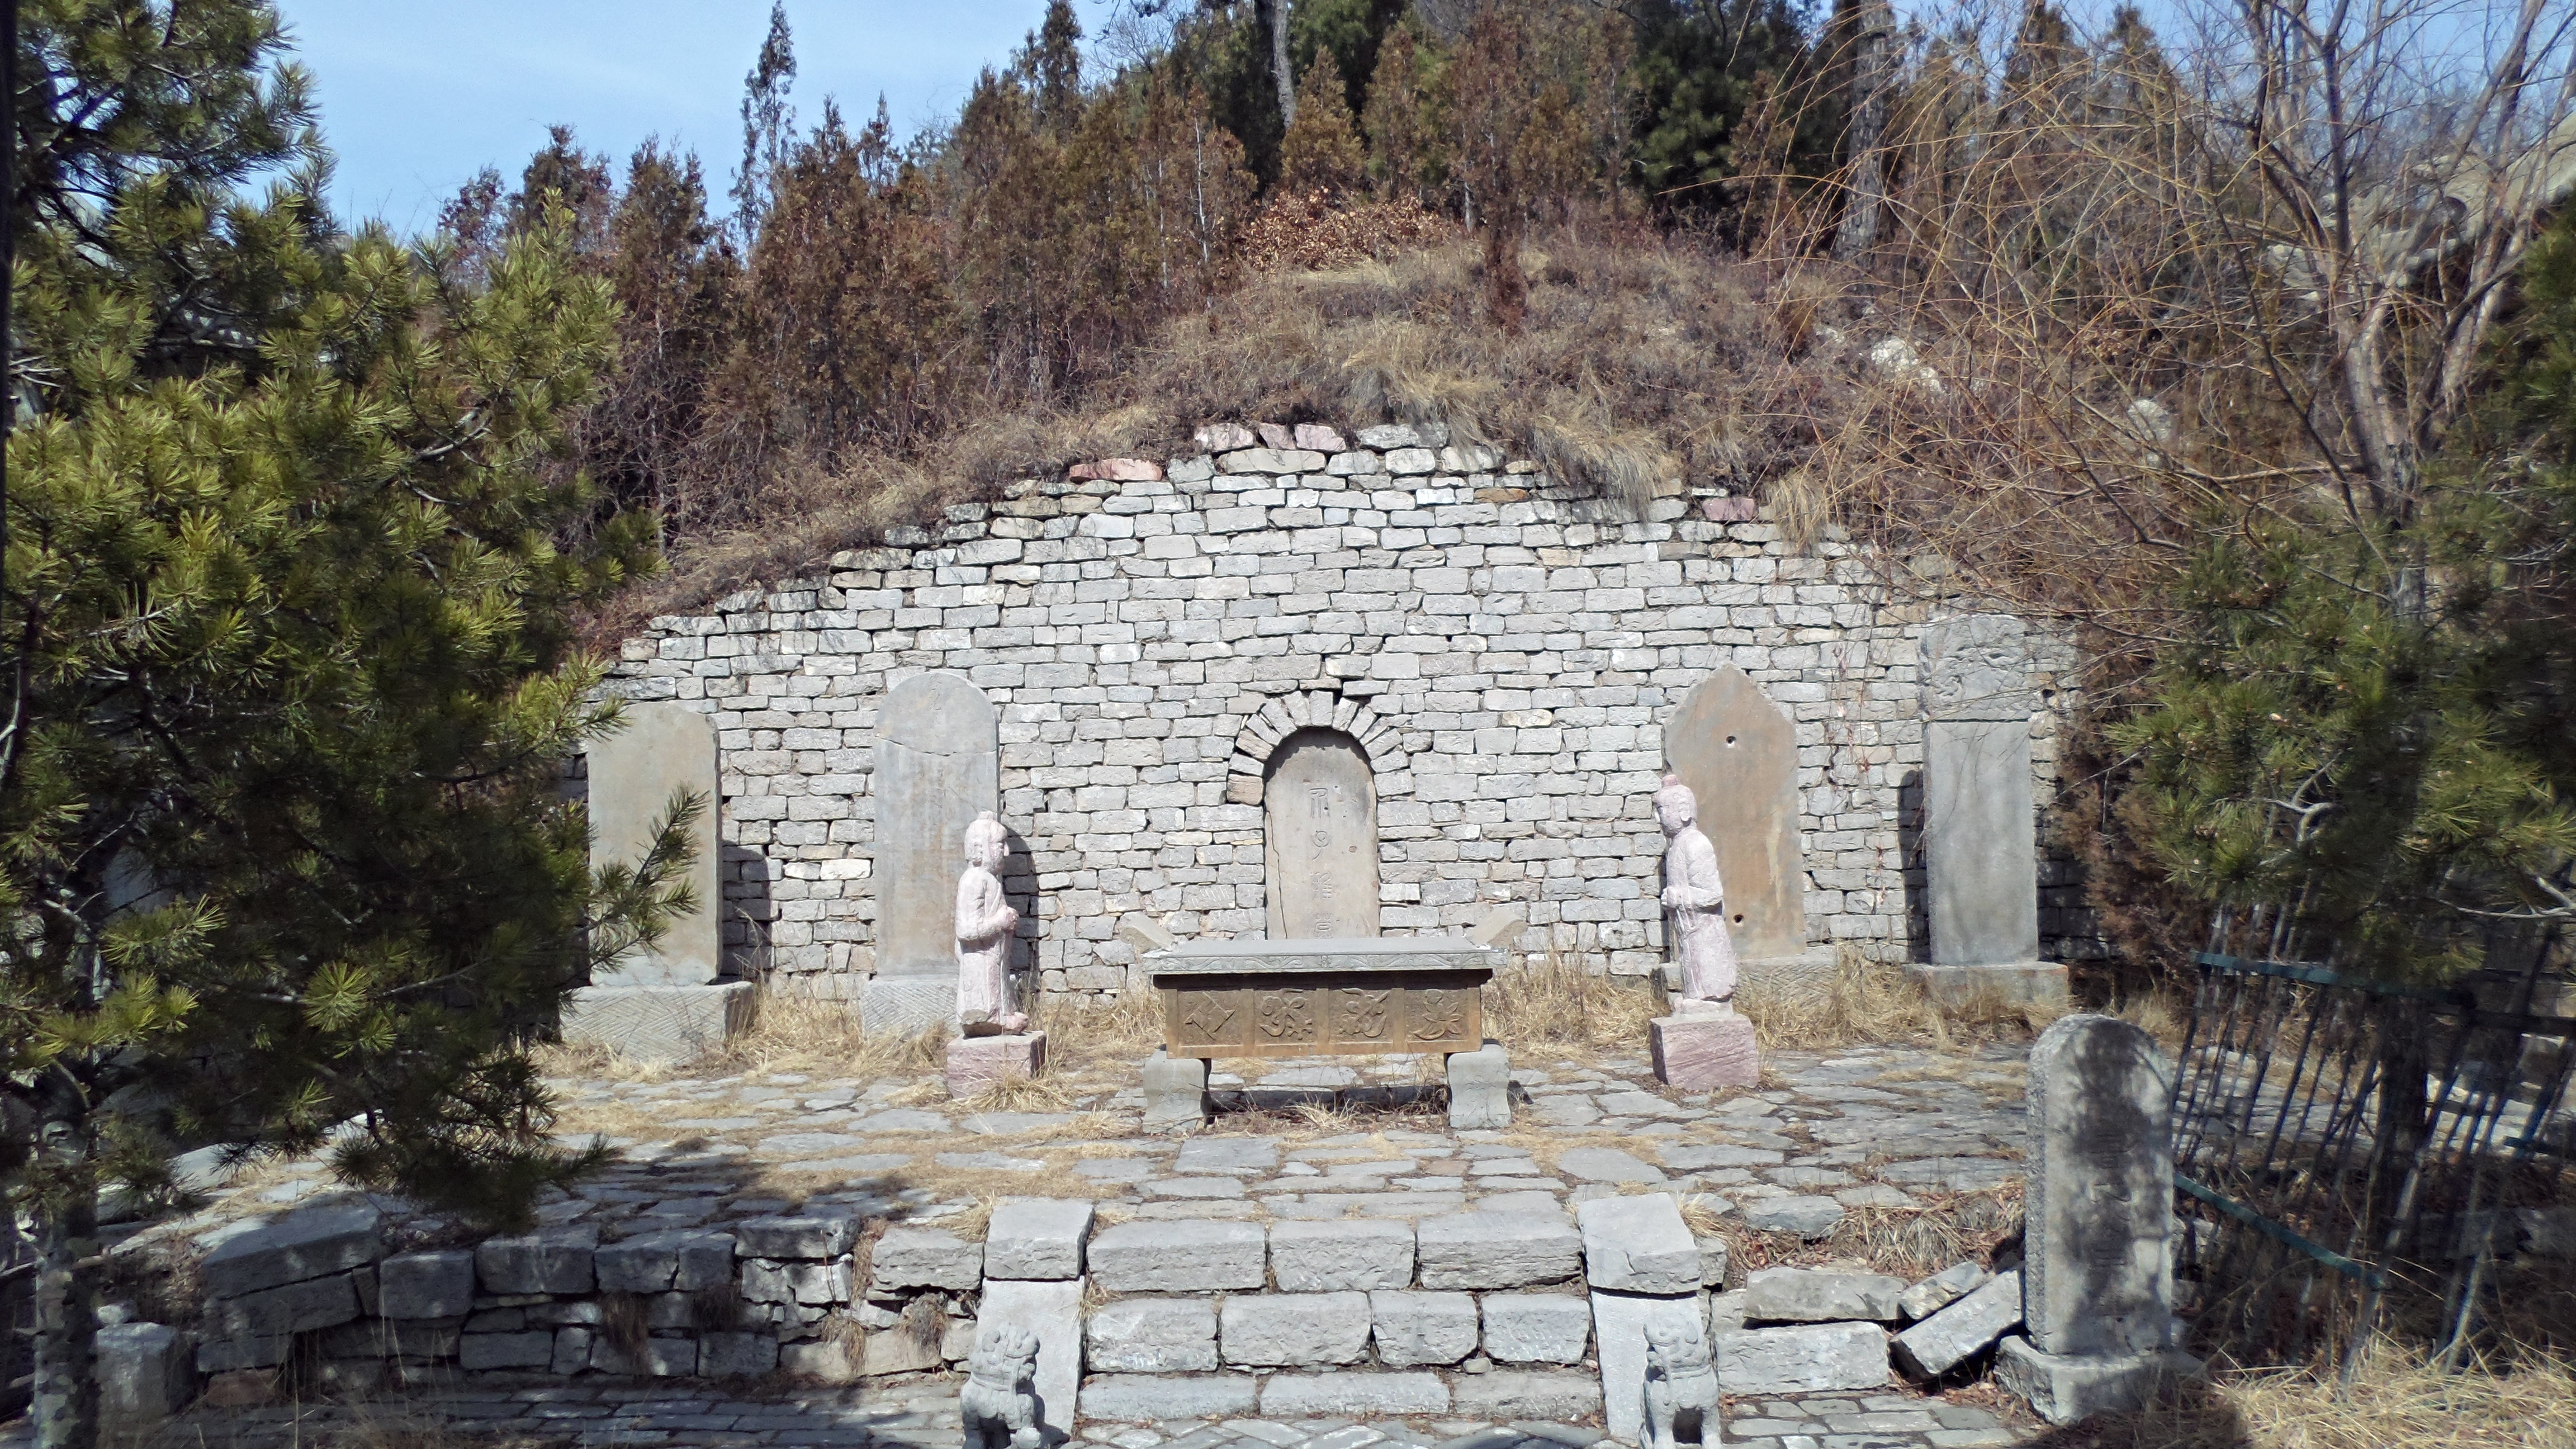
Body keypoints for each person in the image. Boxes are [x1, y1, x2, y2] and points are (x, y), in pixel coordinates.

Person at [1654, 774, 1739, 1008]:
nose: (1657, 819)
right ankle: (1697, 996)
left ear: (1683, 810)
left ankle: (1712, 998)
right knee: (1691, 961)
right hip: (1689, 927)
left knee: (1705, 962)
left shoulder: (1696, 844)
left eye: (1661, 811)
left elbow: (1712, 895)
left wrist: (1676, 897)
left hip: (1704, 927)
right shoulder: (1678, 846)